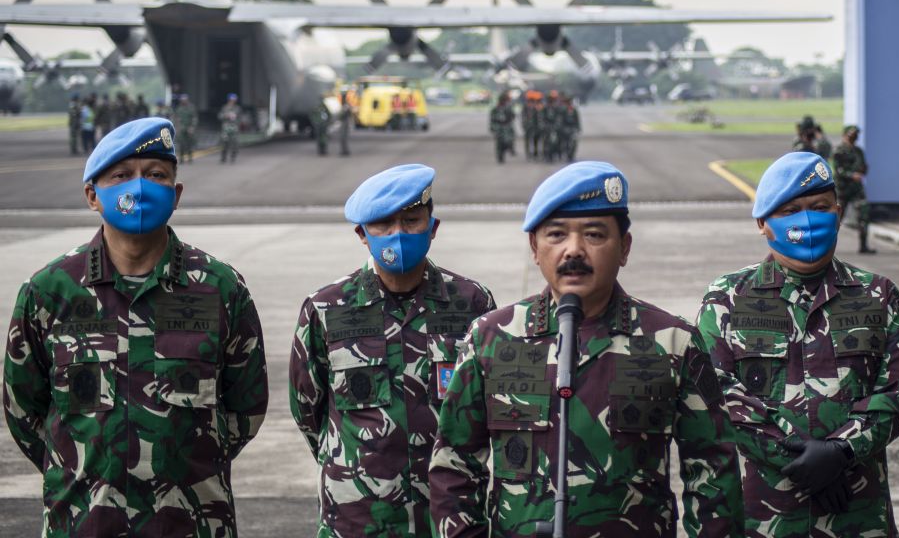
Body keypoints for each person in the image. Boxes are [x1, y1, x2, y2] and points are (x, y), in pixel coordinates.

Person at [429, 161, 745, 536]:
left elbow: (712, 472)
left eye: (594, 235)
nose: (574, 251)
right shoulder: (491, 338)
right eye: (557, 235)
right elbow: (454, 466)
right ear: (534, 247)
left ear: (624, 247)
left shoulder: (673, 342)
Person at [2, 117, 269, 536]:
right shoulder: (49, 291)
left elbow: (245, 408)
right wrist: (79, 469)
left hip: (191, 524)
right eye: (122, 176)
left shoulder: (220, 288)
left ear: (175, 194)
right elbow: (23, 409)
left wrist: (184, 467)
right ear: (93, 195)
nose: (140, 186)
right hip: (83, 523)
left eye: (156, 175)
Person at [696, 152, 899, 537]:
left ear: (838, 212)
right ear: (762, 223)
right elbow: (716, 394)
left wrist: (842, 452)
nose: (806, 219)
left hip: (860, 515)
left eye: (819, 207)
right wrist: (803, 462)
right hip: (766, 518)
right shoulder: (728, 298)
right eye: (791, 210)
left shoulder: (878, 295)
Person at [290, 164, 495, 536]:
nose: (397, 235)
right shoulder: (326, 309)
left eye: (411, 220)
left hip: (450, 518)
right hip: (359, 519)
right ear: (362, 235)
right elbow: (309, 410)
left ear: (432, 228)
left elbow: (484, 409)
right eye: (383, 225)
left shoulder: (472, 303)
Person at [833, 124, 874, 254]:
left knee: (864, 214)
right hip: (842, 189)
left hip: (857, 189)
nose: (854, 137)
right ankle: (827, 247)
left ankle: (863, 245)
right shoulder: (839, 150)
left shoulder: (858, 151)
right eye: (851, 135)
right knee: (836, 219)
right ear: (845, 135)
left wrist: (863, 170)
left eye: (856, 135)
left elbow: (863, 166)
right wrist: (852, 175)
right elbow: (838, 171)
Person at [488, 91, 516, 164]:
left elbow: (512, 116)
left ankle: (509, 149)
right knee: (499, 144)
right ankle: (500, 157)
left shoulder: (508, 108)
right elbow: (492, 119)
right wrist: (492, 127)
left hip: (506, 127)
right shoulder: (495, 109)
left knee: (508, 141)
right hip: (499, 127)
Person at [172, 93, 197, 163]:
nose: (183, 101)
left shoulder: (191, 108)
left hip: (189, 128)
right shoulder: (179, 109)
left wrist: (192, 127)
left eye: (185, 100)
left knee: (189, 143)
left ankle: (190, 158)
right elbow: (175, 118)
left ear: (187, 100)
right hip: (181, 128)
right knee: (181, 143)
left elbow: (194, 118)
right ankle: (181, 158)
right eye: (182, 100)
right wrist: (177, 127)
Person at [219, 93, 240, 163]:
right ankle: (223, 157)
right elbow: (220, 116)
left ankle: (233, 157)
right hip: (226, 127)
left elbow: (240, 118)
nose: (233, 101)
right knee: (224, 143)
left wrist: (236, 122)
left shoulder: (237, 108)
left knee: (234, 143)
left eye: (234, 100)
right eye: (231, 100)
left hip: (234, 127)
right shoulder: (224, 108)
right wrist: (225, 116)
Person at [561, 96, 581, 163]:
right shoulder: (563, 110)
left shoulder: (574, 110)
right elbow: (561, 120)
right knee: (566, 143)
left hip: (572, 129)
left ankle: (571, 156)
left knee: (574, 143)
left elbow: (577, 120)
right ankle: (567, 155)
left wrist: (578, 129)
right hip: (565, 128)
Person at [338, 91, 354, 157]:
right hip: (344, 122)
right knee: (343, 138)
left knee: (343, 137)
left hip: (345, 122)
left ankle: (345, 151)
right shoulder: (345, 105)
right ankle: (344, 150)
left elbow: (343, 115)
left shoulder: (346, 106)